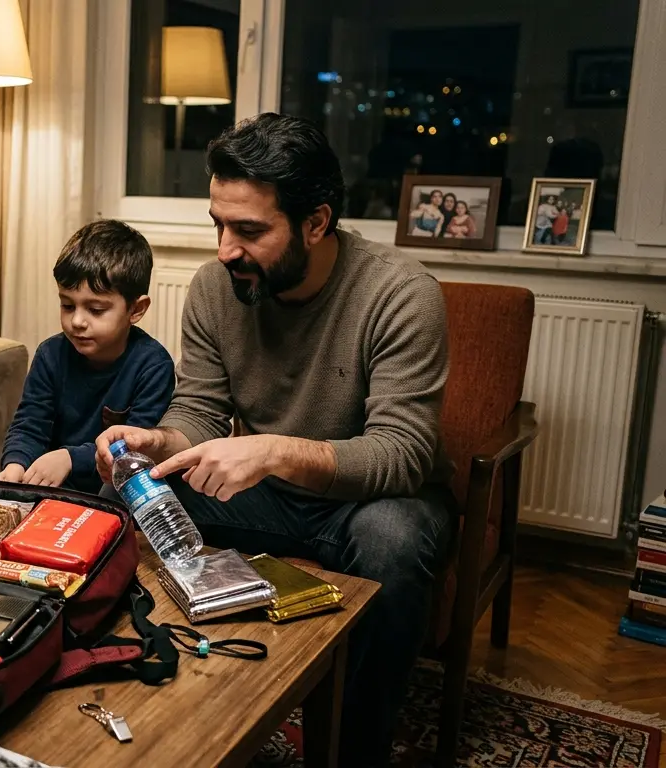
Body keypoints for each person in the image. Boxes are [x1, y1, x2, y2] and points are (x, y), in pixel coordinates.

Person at [96, 113, 454, 767]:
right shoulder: (215, 288)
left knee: (393, 541)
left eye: (250, 230)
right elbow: (200, 414)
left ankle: (353, 746)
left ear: (316, 222)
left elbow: (404, 454)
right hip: (271, 497)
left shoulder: (400, 293)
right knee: (127, 488)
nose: (226, 248)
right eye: (219, 224)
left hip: (372, 505)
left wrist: (276, 449)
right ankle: (185, 690)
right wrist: (159, 443)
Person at [0, 220, 175, 493]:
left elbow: (136, 450)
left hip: (118, 489)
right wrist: (15, 465)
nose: (77, 321)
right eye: (67, 305)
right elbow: (30, 424)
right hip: (53, 487)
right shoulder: (50, 354)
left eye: (96, 310)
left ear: (136, 309)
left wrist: (70, 458)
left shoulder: (153, 365)